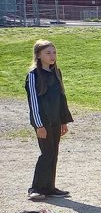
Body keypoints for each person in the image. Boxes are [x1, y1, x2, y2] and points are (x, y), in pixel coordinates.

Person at [25, 40, 73, 201]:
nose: (52, 56)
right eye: (48, 53)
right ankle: (36, 188)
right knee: (46, 153)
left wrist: (63, 121)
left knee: (54, 153)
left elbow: (61, 98)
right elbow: (33, 102)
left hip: (55, 121)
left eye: (54, 52)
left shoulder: (56, 72)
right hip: (43, 123)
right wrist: (39, 125)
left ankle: (49, 187)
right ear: (38, 55)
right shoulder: (33, 75)